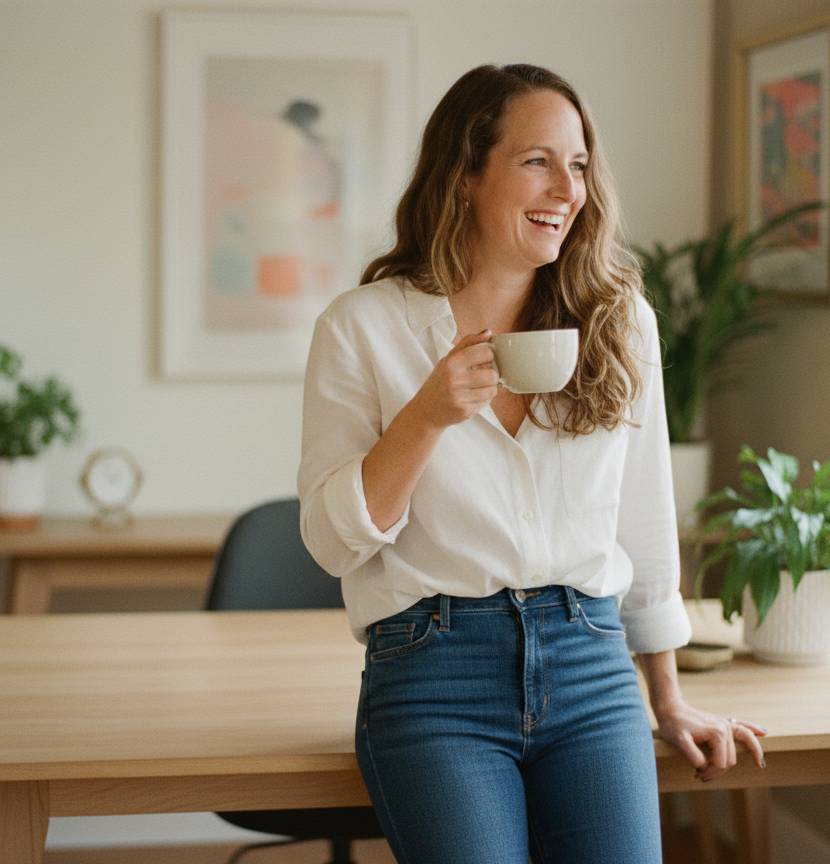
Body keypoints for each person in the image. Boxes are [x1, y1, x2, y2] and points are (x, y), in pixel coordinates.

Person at [297, 63, 766, 864]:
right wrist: (427, 416)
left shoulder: (620, 322)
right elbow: (336, 544)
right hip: (432, 672)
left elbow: (644, 525)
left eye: (578, 164)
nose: (567, 188)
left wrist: (670, 698)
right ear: (468, 173)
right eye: (537, 160)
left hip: (591, 662)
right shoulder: (362, 327)